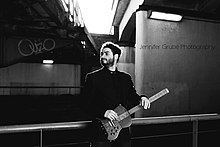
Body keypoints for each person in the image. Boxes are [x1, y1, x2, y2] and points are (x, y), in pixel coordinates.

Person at [81, 42, 150, 147]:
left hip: (123, 133)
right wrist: (103, 112)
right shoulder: (92, 78)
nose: (103, 56)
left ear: (116, 56)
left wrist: (142, 98)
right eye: (102, 54)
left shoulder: (125, 78)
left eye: (106, 53)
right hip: (101, 133)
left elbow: (133, 97)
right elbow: (84, 104)